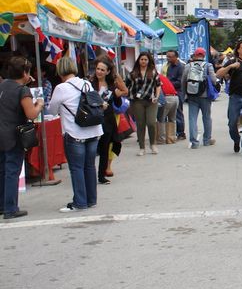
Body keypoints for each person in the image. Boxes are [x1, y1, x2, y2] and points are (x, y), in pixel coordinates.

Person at [47, 57, 103, 213]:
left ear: (59, 70)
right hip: (93, 130)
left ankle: (79, 202)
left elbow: (52, 110)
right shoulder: (86, 83)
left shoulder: (60, 88)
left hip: (74, 132)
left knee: (76, 168)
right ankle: (91, 200)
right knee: (89, 166)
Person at [0, 57, 44, 219]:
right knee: (12, 171)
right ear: (24, 73)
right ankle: (11, 208)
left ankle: (3, 205)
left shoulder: (2, 85)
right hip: (13, 135)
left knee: (2, 170)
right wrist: (39, 103)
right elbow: (31, 114)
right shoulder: (22, 91)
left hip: (1, 133)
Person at [90, 56, 128, 184]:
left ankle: (101, 175)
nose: (99, 71)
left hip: (107, 120)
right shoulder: (90, 83)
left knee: (105, 148)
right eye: (98, 69)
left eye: (102, 69)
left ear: (107, 72)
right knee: (92, 148)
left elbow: (124, 92)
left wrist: (117, 78)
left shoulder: (111, 85)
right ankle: (89, 174)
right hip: (93, 119)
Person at [181, 47, 218, 149]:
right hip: (205, 96)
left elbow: (183, 81)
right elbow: (214, 80)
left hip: (192, 95)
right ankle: (206, 140)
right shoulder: (208, 65)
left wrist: (184, 95)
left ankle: (194, 143)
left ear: (195, 55)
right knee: (206, 117)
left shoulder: (188, 66)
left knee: (192, 118)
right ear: (204, 55)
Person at [128, 52, 161, 156]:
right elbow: (126, 85)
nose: (143, 61)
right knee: (140, 124)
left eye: (145, 59)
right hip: (137, 102)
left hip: (151, 101)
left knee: (151, 123)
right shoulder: (133, 73)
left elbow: (158, 85)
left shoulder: (154, 72)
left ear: (149, 61)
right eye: (141, 59)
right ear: (138, 60)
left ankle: (153, 144)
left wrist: (157, 96)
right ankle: (142, 147)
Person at [164, 50, 185, 140]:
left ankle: (181, 133)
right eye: (167, 56)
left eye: (170, 57)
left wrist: (168, 84)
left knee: (178, 112)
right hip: (168, 92)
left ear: (176, 57)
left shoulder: (181, 67)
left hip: (178, 92)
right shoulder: (168, 66)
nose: (168, 58)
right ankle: (170, 133)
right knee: (168, 113)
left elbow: (180, 82)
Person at [157, 72, 178, 144]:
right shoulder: (162, 77)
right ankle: (171, 139)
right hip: (175, 97)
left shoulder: (155, 78)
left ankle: (161, 139)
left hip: (166, 98)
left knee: (161, 119)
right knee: (172, 119)